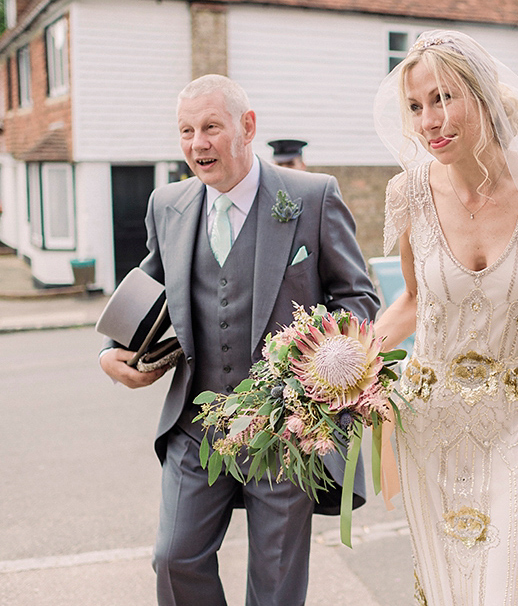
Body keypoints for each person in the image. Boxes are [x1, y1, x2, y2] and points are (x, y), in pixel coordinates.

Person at [99, 74, 379, 606]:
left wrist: (320, 379)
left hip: (285, 431)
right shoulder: (167, 205)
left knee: (274, 584)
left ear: (246, 127)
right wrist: (111, 355)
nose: (197, 143)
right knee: (174, 560)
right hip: (196, 426)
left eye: (210, 127)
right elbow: (143, 294)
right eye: (185, 130)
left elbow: (357, 299)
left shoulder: (312, 197)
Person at [372, 30, 518, 604]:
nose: (429, 120)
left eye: (444, 98)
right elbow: (413, 298)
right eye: (416, 106)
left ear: (483, 96)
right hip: (427, 423)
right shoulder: (407, 194)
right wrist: (348, 360)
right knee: (447, 589)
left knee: (507, 591)